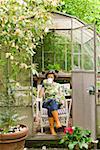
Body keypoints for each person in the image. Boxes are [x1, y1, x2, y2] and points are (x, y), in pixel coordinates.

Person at [39, 70, 63, 135]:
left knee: (51, 106)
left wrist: (61, 101)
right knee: (51, 101)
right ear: (46, 78)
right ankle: (58, 122)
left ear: (54, 78)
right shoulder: (45, 84)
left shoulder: (57, 85)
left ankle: (52, 130)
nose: (50, 78)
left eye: (51, 77)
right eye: (48, 77)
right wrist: (43, 86)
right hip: (46, 102)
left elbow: (60, 95)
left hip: (55, 102)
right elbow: (40, 95)